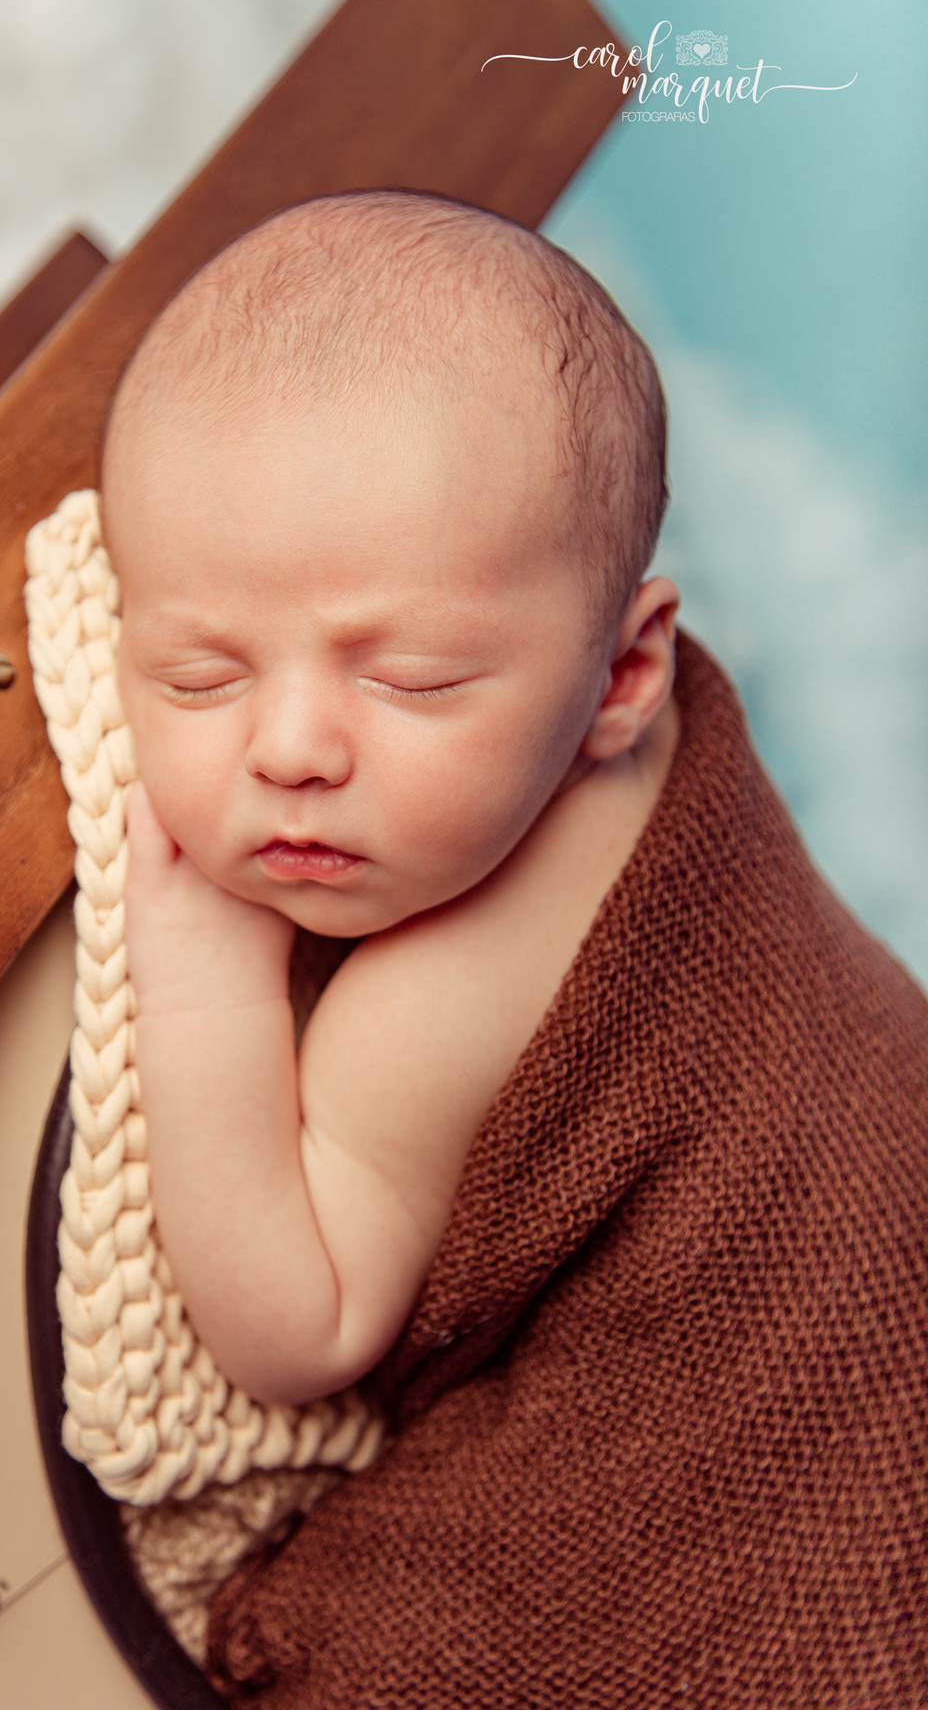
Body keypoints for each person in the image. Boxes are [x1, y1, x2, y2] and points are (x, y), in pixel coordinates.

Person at [100, 191, 928, 1706]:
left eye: (410, 680)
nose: (290, 748)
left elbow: (300, 1324)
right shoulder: (561, 707)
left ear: (624, 675)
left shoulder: (457, 985)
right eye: (199, 671)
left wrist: (203, 974)